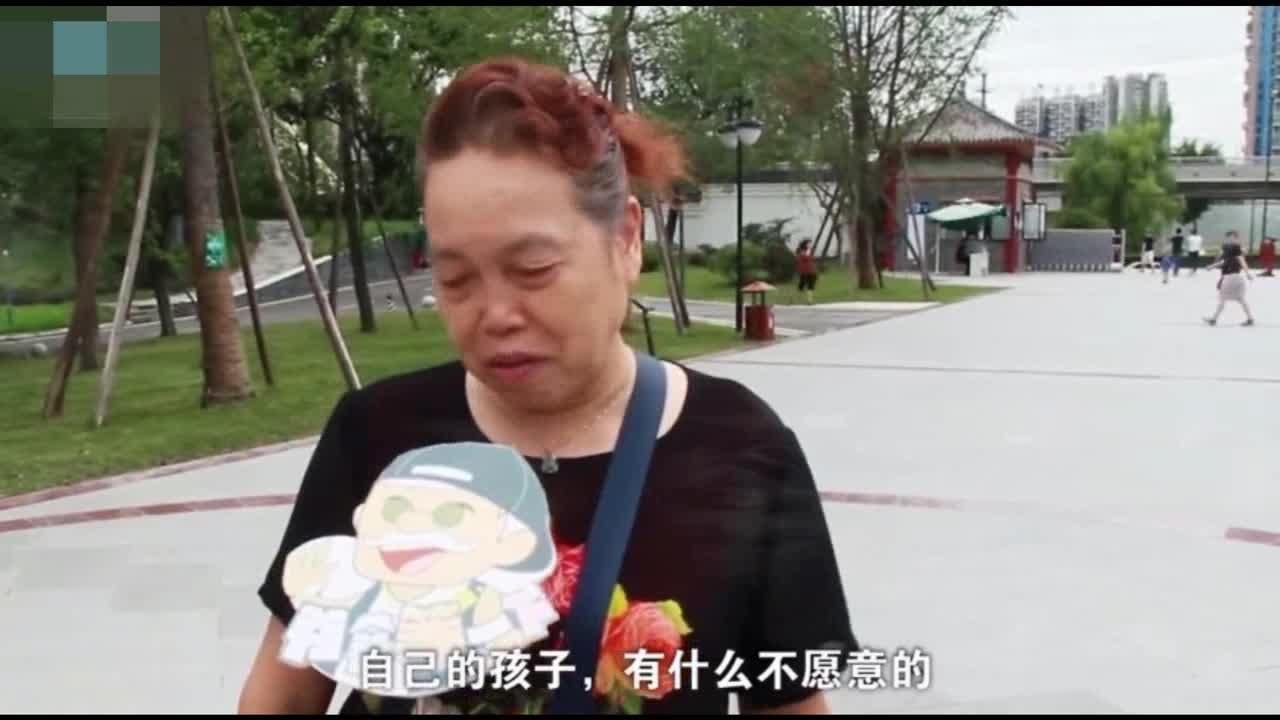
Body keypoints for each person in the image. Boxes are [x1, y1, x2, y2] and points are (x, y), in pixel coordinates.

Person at [238, 56, 858, 716]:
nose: (494, 315)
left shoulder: (742, 449)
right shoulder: (376, 434)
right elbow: (284, 697)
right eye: (455, 279)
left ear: (626, 238)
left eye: (533, 268)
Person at [1204, 240, 1255, 327]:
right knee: (1241, 299)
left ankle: (1213, 319)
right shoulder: (1238, 256)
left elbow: (1220, 263)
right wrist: (1248, 274)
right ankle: (1250, 318)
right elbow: (1243, 264)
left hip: (1228, 279)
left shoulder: (1229, 257)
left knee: (1222, 299)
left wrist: (1210, 267)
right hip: (1239, 279)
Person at [795, 239, 818, 304]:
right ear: (805, 244)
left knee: (811, 286)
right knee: (801, 286)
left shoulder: (809, 251)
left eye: (810, 243)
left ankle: (809, 300)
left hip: (812, 271)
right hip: (804, 272)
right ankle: (799, 299)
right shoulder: (801, 251)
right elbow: (805, 257)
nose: (810, 245)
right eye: (809, 243)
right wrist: (808, 251)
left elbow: (812, 259)